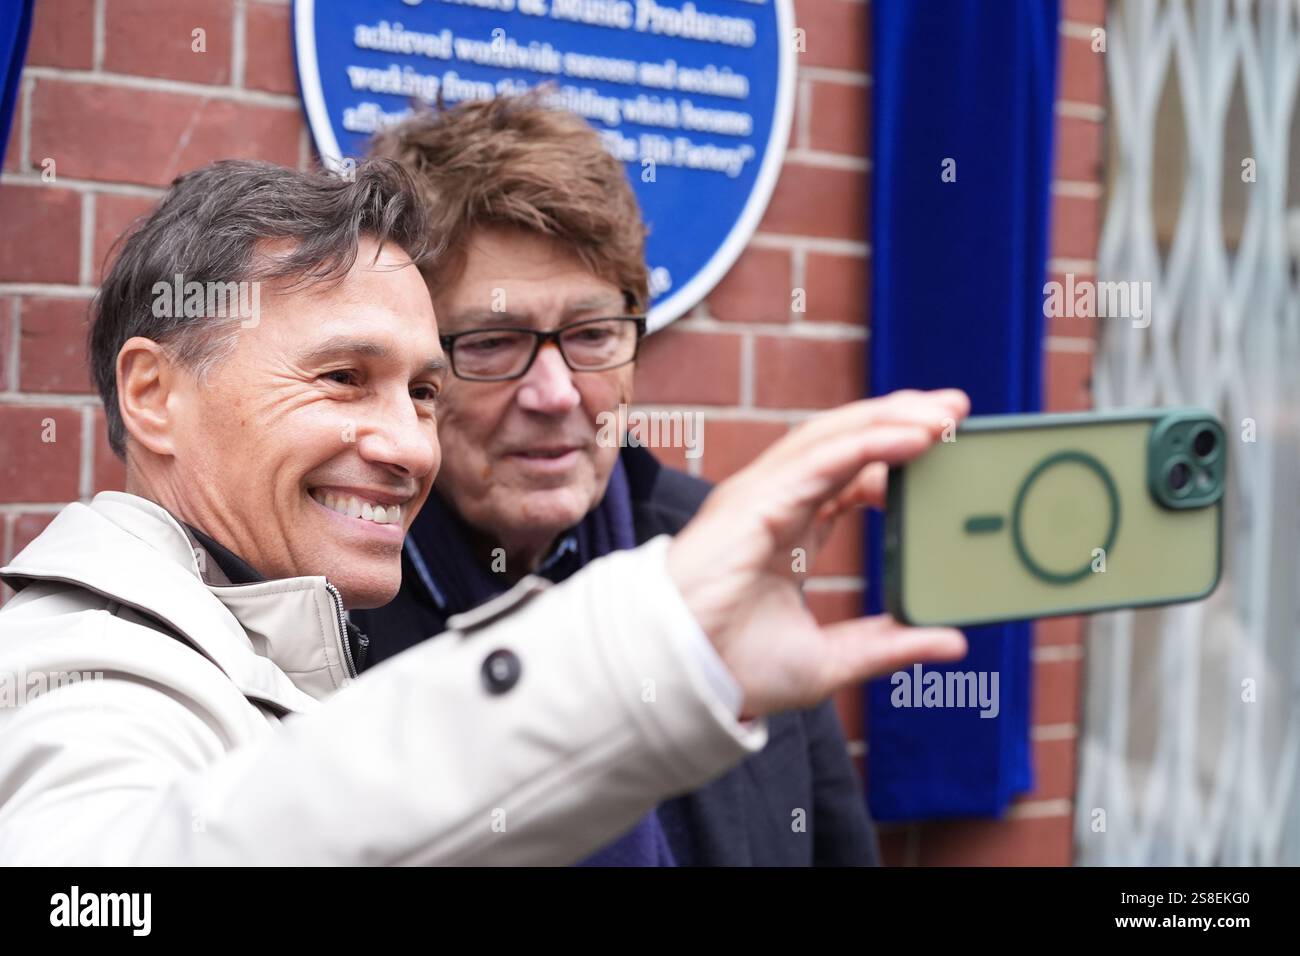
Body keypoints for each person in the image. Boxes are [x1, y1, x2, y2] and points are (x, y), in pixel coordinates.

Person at [0, 156, 970, 865]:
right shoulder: (83, 665)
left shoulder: (286, 612)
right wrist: (650, 651)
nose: (406, 443)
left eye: (420, 392)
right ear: (153, 395)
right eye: (342, 377)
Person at [356, 94, 879, 865]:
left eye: (593, 335)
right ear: (410, 361)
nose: (557, 393)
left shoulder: (715, 549)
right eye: (496, 342)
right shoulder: (335, 606)